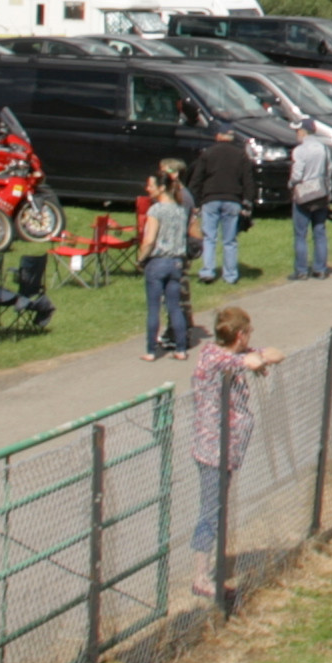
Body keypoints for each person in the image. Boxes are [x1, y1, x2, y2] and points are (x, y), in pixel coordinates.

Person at [187, 305, 260, 559]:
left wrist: (260, 358)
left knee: (217, 509)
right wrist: (256, 361)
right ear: (240, 334)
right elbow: (247, 361)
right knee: (210, 511)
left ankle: (213, 569)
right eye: (249, 332)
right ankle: (201, 574)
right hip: (213, 451)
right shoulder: (216, 358)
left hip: (226, 450)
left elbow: (270, 354)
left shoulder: (228, 356)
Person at [139, 166, 192, 358]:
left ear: (161, 188)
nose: (148, 188)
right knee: (174, 307)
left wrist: (140, 258)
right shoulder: (180, 210)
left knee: (154, 308)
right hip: (176, 262)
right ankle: (181, 349)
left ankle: (151, 351)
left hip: (158, 261)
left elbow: (149, 240)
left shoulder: (156, 210)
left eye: (151, 185)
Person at [194, 126, 254, 286]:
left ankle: (207, 271)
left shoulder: (208, 153)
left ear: (218, 136)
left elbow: (197, 179)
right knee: (230, 240)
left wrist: (196, 202)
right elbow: (248, 181)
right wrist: (248, 202)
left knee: (209, 238)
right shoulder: (241, 155)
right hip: (232, 200)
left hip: (210, 199)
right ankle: (230, 275)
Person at [286, 117, 332, 280]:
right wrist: (328, 193)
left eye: (297, 131)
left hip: (303, 195)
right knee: (320, 232)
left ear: (303, 131)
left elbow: (297, 174)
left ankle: (301, 270)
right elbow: (328, 172)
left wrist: (290, 184)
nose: (296, 134)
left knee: (301, 234)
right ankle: (320, 269)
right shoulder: (323, 149)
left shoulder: (300, 150)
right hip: (321, 194)